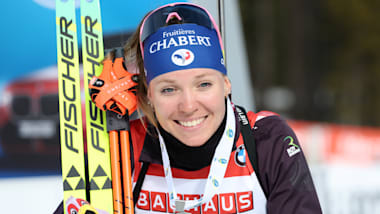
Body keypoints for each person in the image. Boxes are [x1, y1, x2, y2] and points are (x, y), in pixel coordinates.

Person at [55, 2, 322, 214]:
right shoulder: (124, 148)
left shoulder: (265, 139)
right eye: (168, 89)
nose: (189, 105)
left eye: (204, 84)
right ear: (148, 96)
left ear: (226, 83)